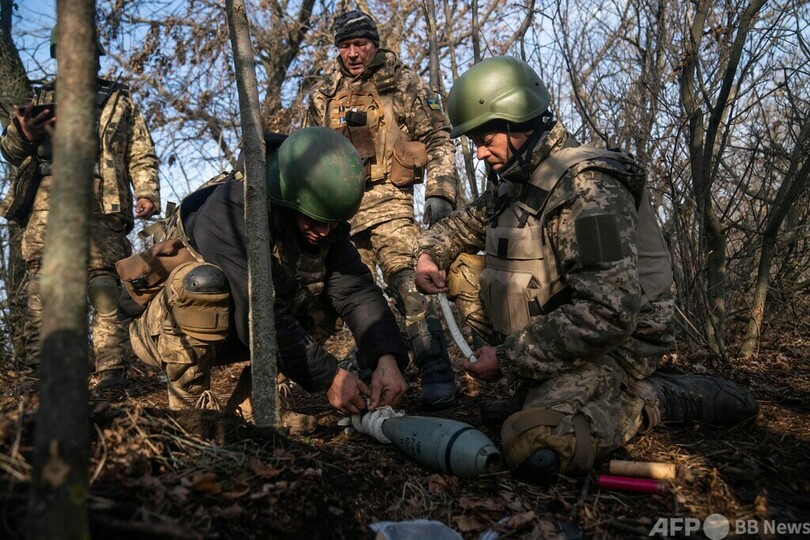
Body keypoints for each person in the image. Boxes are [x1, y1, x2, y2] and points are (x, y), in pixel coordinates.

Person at [413, 56, 759, 483]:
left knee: (537, 446)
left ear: (518, 121)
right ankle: (541, 388)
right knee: (461, 265)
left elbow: (609, 314)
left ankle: (654, 397)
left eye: (485, 140)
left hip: (621, 342)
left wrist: (506, 359)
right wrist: (428, 255)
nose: (480, 152)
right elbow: (455, 228)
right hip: (565, 333)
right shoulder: (517, 182)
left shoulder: (589, 188)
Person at [121, 127, 409, 424]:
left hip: (239, 329)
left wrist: (386, 357)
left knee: (319, 298)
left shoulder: (322, 224)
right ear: (288, 197)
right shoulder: (230, 210)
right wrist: (329, 376)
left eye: (332, 222)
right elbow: (257, 311)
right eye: (315, 220)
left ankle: (260, 403)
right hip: (163, 331)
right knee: (204, 283)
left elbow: (356, 291)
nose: (324, 232)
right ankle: (191, 413)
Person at [304, 10, 459, 408]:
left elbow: (439, 136)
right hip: (339, 213)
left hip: (390, 201)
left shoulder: (401, 82)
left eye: (360, 44)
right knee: (352, 298)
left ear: (374, 43)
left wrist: (441, 193)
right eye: (345, 46)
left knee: (409, 282)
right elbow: (304, 152)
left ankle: (436, 371)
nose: (353, 53)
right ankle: (376, 370)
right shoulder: (323, 94)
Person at [0, 27, 160, 389]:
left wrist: (147, 192)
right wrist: (24, 134)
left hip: (103, 204)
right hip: (48, 204)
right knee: (42, 287)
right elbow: (9, 151)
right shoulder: (40, 98)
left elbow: (141, 152)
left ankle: (110, 373)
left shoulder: (119, 101)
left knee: (103, 286)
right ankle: (43, 372)